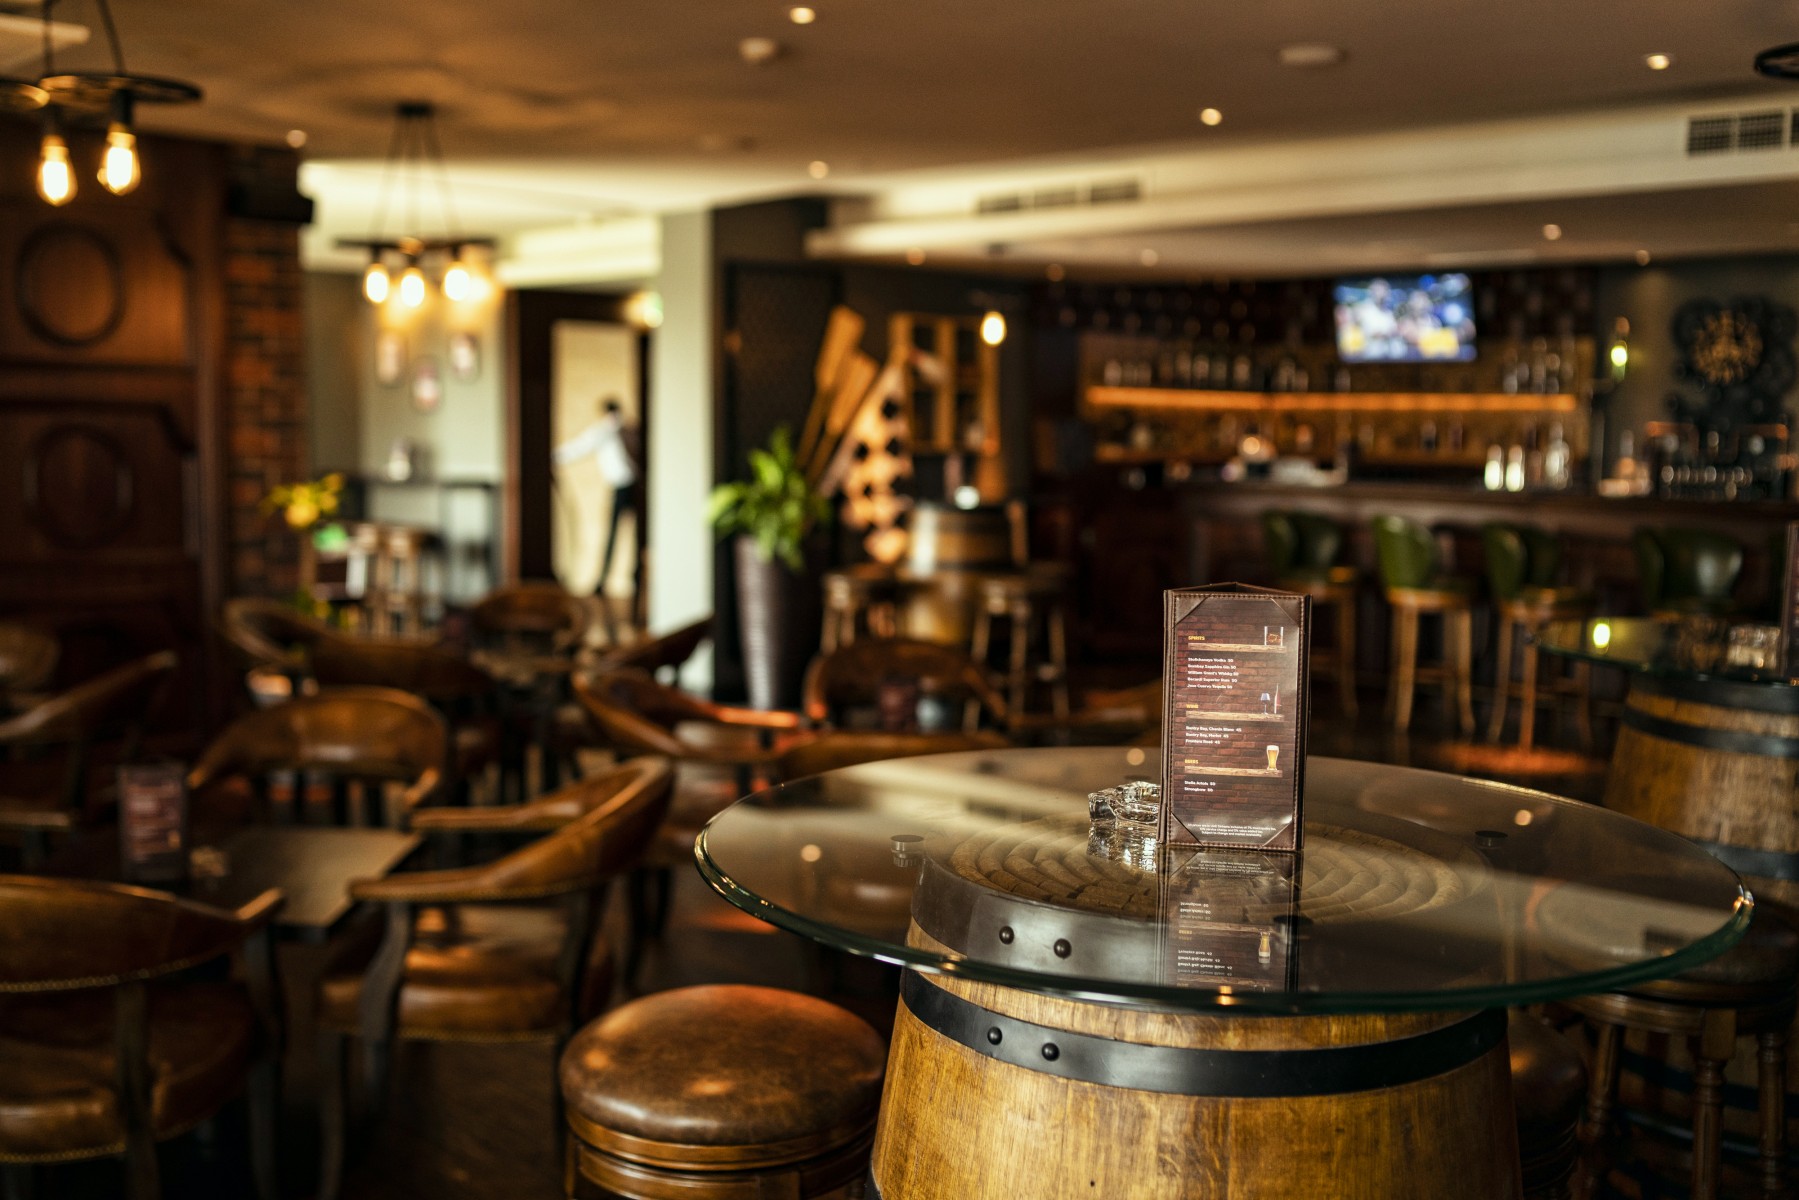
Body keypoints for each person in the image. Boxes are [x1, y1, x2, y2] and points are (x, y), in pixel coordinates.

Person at [554, 397, 641, 596]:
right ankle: (603, 580)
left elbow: (579, 447)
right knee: (614, 534)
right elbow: (579, 447)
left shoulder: (624, 430)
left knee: (629, 535)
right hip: (622, 487)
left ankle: (630, 578)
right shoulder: (606, 432)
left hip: (632, 486)